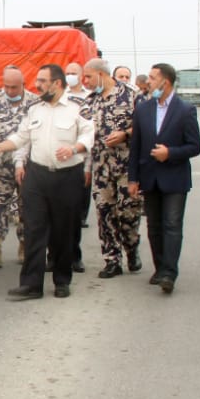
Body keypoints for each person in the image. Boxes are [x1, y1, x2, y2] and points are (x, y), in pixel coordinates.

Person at [0, 64, 94, 300]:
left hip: (67, 177)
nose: (37, 85)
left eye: (42, 81)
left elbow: (88, 134)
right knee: (34, 229)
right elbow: (22, 136)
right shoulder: (34, 109)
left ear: (57, 83)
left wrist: (74, 149)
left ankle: (62, 280)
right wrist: (1, 146)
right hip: (37, 176)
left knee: (63, 231)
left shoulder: (78, 106)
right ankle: (31, 284)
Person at [127, 63, 200, 294]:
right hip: (149, 177)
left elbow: (195, 146)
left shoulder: (185, 110)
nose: (148, 82)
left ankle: (169, 272)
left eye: (152, 78)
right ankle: (159, 267)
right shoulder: (143, 109)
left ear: (165, 82)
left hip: (175, 177)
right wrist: (133, 179)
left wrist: (170, 153)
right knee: (154, 226)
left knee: (172, 225)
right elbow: (136, 146)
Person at [81, 58, 141, 279]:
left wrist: (125, 134)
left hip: (127, 167)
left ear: (101, 74)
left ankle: (131, 248)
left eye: (88, 76)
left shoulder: (132, 95)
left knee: (128, 213)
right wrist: (87, 168)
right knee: (105, 213)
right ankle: (112, 260)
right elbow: (86, 136)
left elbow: (144, 126)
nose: (85, 81)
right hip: (101, 168)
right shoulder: (89, 101)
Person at [0, 65, 38, 268]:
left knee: (26, 207)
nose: (10, 91)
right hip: (0, 165)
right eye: (7, 86)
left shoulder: (35, 103)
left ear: (23, 84)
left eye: (14, 87)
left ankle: (25, 246)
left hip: (28, 165)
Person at [64, 62, 91, 271]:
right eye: (68, 73)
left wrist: (88, 167)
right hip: (56, 164)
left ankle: (74, 257)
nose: (70, 76)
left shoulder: (89, 98)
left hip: (78, 162)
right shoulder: (60, 97)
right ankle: (54, 256)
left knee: (74, 215)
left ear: (81, 75)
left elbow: (89, 135)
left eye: (74, 73)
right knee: (54, 216)